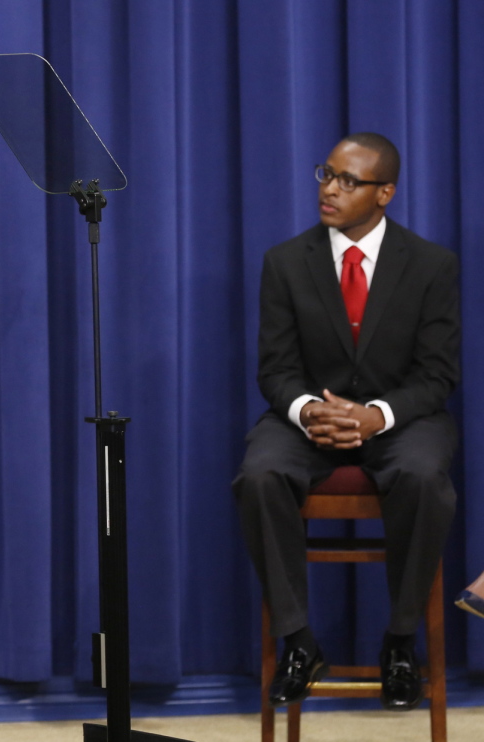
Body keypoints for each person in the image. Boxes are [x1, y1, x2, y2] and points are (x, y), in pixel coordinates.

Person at [233, 132, 460, 712]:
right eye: (326, 174)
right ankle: (298, 642)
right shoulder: (285, 262)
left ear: (384, 192)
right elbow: (276, 370)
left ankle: (401, 642)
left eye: (348, 181)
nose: (329, 189)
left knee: (423, 476)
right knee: (259, 474)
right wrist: (310, 411)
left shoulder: (433, 265)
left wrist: (374, 417)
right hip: (309, 421)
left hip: (401, 419)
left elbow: (437, 377)